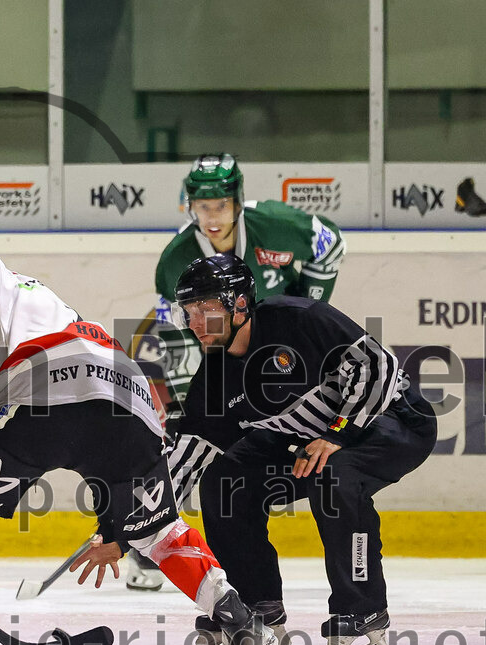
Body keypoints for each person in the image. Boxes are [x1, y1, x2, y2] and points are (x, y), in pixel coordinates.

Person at [0, 216, 292, 645]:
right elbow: (92, 433)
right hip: (131, 396)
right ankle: (242, 624)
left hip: (48, 377)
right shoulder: (46, 310)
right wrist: (113, 526)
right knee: (158, 530)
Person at [164, 254, 436, 645]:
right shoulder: (214, 380)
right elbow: (186, 456)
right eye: (189, 312)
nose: (195, 323)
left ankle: (363, 611)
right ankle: (257, 606)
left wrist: (338, 433)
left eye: (207, 309)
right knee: (225, 481)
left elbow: (378, 365)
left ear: (240, 303)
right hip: (310, 440)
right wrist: (126, 520)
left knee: (336, 475)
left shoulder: (298, 318)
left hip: (393, 420)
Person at [126, 152, 346, 591]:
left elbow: (331, 244)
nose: (212, 217)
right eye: (202, 206)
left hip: (284, 357)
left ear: (238, 201)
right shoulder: (176, 260)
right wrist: (197, 399)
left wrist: (309, 304)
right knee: (193, 445)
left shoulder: (277, 225)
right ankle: (150, 540)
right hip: (219, 358)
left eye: (221, 205)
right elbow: (181, 333)